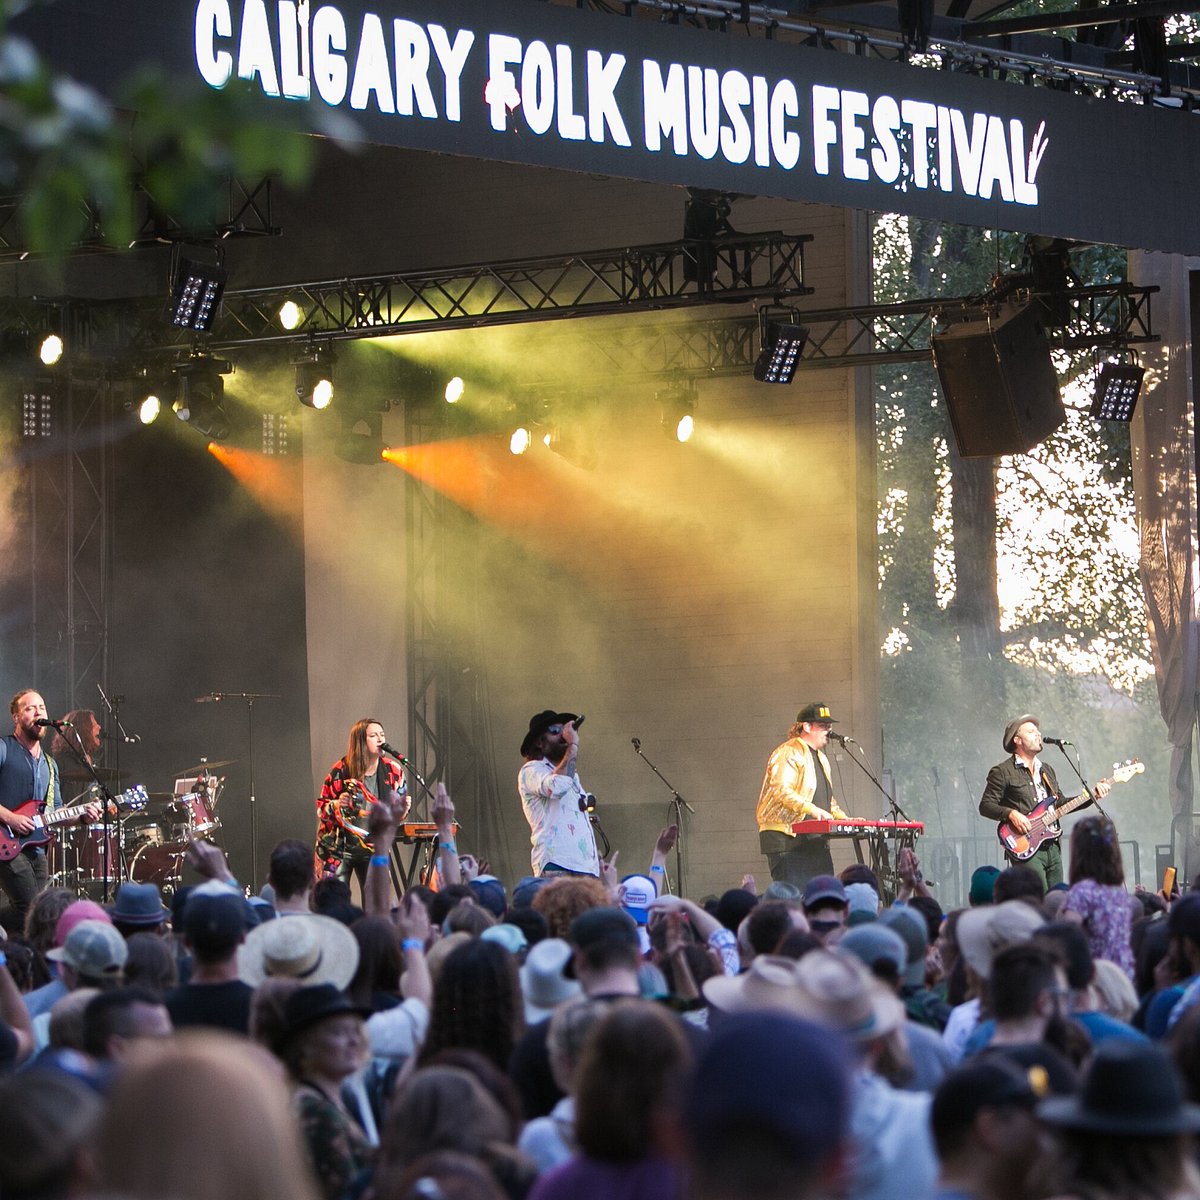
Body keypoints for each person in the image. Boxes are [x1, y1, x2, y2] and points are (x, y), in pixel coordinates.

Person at [978, 714, 1110, 891]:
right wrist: (1011, 814)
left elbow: (1060, 804)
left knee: (1058, 898)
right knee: (1038, 898)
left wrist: (1092, 795)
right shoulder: (1003, 771)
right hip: (1025, 846)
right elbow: (985, 805)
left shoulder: (1047, 770)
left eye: (1038, 731)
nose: (1038, 734)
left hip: (1052, 846)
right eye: (1031, 731)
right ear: (1017, 740)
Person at [0, 689, 98, 920]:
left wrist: (83, 816)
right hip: (6, 843)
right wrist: (10, 818)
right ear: (16, 717)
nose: (38, 712)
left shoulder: (49, 765)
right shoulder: (4, 748)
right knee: (30, 910)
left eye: (41, 708)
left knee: (38, 913)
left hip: (36, 848)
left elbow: (55, 812)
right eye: (29, 708)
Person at [756, 702, 854, 887]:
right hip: (787, 839)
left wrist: (845, 820)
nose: (829, 730)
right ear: (807, 726)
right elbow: (781, 790)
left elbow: (826, 799)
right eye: (823, 726)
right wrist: (813, 809)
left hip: (813, 840)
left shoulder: (821, 758)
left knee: (824, 893)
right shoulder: (789, 752)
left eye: (829, 726)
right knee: (795, 896)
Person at [315, 718, 410, 889]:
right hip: (339, 850)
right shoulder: (341, 769)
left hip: (374, 848)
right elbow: (321, 809)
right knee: (334, 901)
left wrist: (402, 811)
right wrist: (337, 804)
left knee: (377, 902)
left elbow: (396, 818)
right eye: (373, 735)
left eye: (382, 734)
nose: (381, 739)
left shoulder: (393, 771)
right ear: (360, 742)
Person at [518, 710, 598, 878]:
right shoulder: (532, 770)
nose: (563, 735)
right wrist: (573, 745)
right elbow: (557, 787)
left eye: (564, 730)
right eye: (555, 731)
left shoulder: (572, 776)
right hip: (557, 864)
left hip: (585, 867)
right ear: (539, 742)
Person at [1060, 814, 1136, 979]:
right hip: (1125, 979)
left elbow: (1067, 936)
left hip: (1099, 981)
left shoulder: (1082, 892)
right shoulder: (1119, 893)